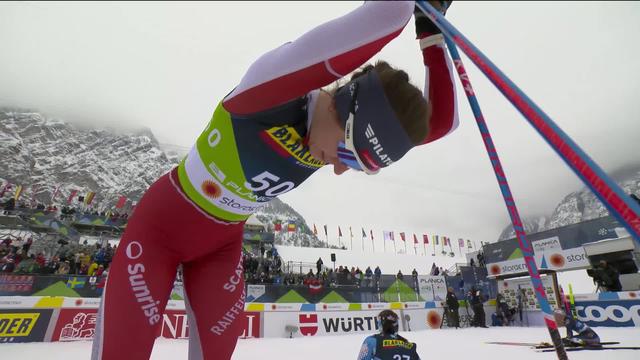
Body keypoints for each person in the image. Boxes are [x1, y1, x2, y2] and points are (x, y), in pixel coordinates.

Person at [91, 2, 457, 359]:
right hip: (159, 232)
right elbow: (387, 13)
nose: (340, 168)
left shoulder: (326, 137)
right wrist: (412, 8)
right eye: (348, 154)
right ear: (342, 106)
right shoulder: (271, 92)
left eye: (360, 167)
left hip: (222, 249)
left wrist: (430, 36)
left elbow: (441, 123)